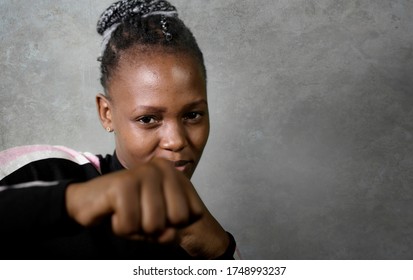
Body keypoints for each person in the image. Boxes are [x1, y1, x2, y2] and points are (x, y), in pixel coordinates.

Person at [0, 0, 238, 260]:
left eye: (193, 115)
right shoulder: (42, 171)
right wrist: (75, 202)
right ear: (107, 113)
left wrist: (220, 251)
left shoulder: (204, 237)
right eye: (148, 119)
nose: (176, 141)